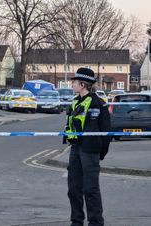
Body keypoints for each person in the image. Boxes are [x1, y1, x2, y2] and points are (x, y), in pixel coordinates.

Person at [64, 67, 111, 226]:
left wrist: (100, 153)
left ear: (82, 84)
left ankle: (96, 222)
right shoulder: (75, 101)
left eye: (74, 82)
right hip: (75, 148)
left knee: (90, 190)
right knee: (73, 189)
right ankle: (76, 221)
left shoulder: (99, 103)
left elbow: (106, 131)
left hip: (90, 151)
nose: (72, 85)